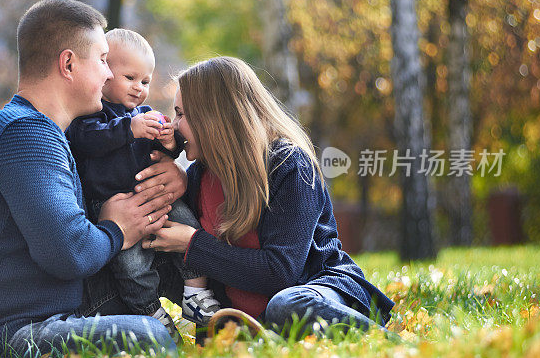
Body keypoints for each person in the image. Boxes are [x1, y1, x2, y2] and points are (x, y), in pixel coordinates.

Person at [0, 0, 187, 358]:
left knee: (170, 252)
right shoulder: (26, 134)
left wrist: (175, 173)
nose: (109, 74)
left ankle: (242, 310)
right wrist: (117, 229)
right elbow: (72, 252)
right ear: (68, 64)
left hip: (46, 310)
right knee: (149, 337)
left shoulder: (45, 132)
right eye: (101, 60)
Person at [145, 56, 394, 336]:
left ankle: (388, 344)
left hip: (318, 292)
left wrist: (192, 243)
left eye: (181, 114)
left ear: (213, 117)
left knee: (287, 304)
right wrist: (165, 158)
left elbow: (280, 272)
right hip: (251, 320)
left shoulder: (290, 166)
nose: (175, 125)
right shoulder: (198, 177)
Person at [65, 29, 220, 339]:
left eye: (146, 82)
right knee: (131, 265)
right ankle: (150, 312)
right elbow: (88, 142)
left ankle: (195, 293)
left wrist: (169, 141)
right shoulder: (90, 117)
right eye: (130, 78)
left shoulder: (146, 114)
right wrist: (128, 128)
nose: (139, 88)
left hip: (157, 198)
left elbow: (168, 153)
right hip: (113, 207)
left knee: (190, 226)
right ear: (106, 73)